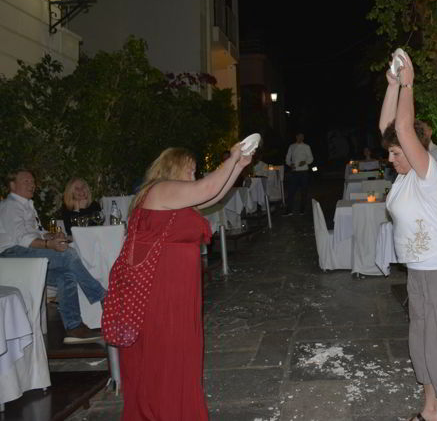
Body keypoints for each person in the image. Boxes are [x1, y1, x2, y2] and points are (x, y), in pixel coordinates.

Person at [102, 144, 252, 420]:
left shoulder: (174, 196)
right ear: (172, 166)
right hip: (161, 292)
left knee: (177, 353)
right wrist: (231, 158)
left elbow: (214, 195)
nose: (194, 173)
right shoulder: (161, 189)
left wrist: (239, 166)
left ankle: (176, 410)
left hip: (175, 290)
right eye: (190, 168)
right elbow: (207, 189)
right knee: (167, 355)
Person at [379, 51, 437, 421]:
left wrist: (410, 84)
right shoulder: (402, 178)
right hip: (419, 270)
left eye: (397, 153)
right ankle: (430, 409)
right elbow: (388, 126)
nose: (391, 158)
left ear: (415, 150)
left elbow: (401, 127)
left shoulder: (429, 175)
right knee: (421, 344)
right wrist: (392, 86)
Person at [0, 169, 106, 344]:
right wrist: (49, 245)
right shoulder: (10, 206)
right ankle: (102, 296)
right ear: (12, 185)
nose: (32, 184)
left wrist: (50, 236)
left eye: (32, 181)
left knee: (68, 274)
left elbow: (35, 232)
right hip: (11, 255)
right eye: (26, 181)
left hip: (23, 256)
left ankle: (74, 327)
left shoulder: (26, 205)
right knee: (68, 254)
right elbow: (22, 238)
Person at [283, 132, 314, 215]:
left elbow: (311, 158)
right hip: (294, 172)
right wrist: (290, 164)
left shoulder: (306, 146)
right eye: (299, 137)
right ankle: (289, 210)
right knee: (291, 192)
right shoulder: (292, 146)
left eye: (302, 137)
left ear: (303, 138)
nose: (300, 138)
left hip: (304, 172)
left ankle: (302, 209)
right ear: (296, 137)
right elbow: (287, 158)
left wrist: (305, 162)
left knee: (304, 192)